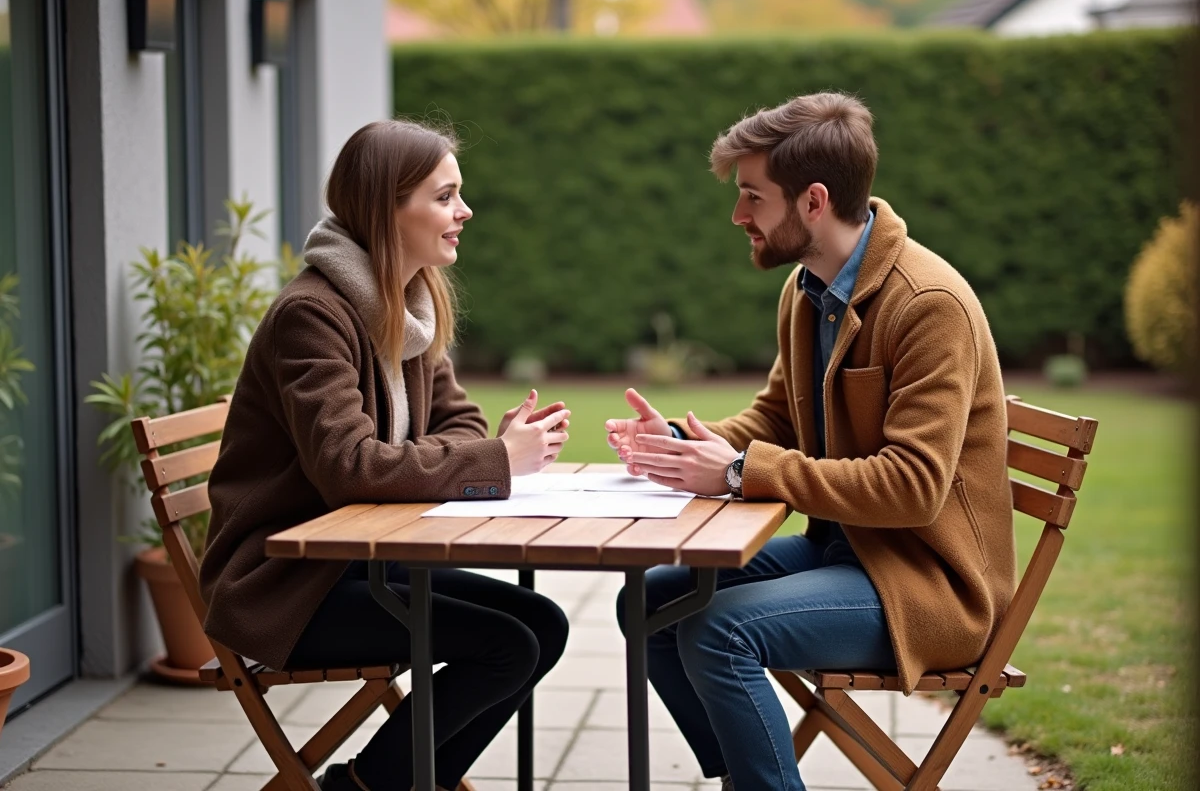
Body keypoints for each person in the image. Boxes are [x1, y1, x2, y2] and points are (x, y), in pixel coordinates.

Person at [604, 92, 1017, 791]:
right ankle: (748, 775)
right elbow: (775, 419)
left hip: (927, 584)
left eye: (753, 198)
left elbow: (914, 487)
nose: (739, 216)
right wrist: (677, 445)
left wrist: (738, 473)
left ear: (814, 201)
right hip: (845, 551)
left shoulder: (927, 306)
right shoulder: (807, 289)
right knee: (648, 602)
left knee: (719, 631)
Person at [200, 119, 572, 791]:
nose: (465, 212)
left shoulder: (412, 303)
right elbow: (348, 466)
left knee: (542, 623)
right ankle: (363, 787)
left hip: (365, 560)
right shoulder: (312, 315)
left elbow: (458, 422)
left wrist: (485, 452)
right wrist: (493, 460)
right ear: (386, 206)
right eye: (445, 196)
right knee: (508, 645)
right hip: (285, 584)